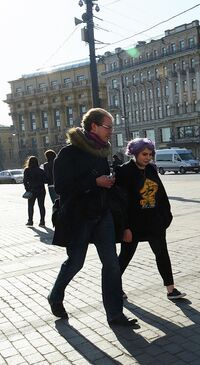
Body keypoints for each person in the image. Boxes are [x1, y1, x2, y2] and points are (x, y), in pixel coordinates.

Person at [48, 107, 137, 327]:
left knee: (112, 265)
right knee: (76, 262)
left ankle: (115, 315)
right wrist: (94, 182)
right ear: (94, 126)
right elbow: (61, 187)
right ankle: (55, 295)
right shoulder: (69, 153)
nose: (111, 131)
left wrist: (109, 181)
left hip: (102, 214)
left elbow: (100, 179)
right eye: (108, 126)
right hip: (79, 217)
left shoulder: (101, 152)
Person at [116, 138, 186, 301]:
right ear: (134, 153)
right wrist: (124, 227)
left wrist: (165, 217)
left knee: (162, 254)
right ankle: (115, 288)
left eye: (150, 154)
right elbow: (121, 202)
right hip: (133, 223)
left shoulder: (152, 170)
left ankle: (171, 290)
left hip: (154, 222)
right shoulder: (124, 171)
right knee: (125, 256)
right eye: (144, 154)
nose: (147, 157)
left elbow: (161, 194)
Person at [23, 156, 47, 227]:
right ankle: (42, 221)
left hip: (31, 190)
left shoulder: (27, 170)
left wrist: (27, 189)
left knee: (30, 206)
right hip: (41, 190)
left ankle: (30, 221)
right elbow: (45, 180)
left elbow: (25, 181)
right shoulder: (41, 171)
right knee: (41, 206)